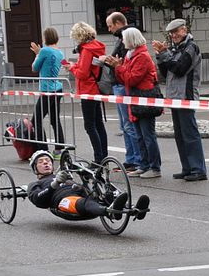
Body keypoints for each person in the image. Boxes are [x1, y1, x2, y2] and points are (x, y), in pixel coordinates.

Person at [152, 19, 207, 182]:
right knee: (180, 135)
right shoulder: (176, 49)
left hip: (186, 96)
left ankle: (198, 169)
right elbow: (166, 71)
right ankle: (187, 168)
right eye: (171, 33)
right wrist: (160, 56)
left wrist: (165, 54)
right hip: (175, 97)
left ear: (185, 30)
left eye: (177, 32)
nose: (174, 35)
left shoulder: (191, 47)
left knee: (189, 134)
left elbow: (179, 68)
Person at [27, 150, 150, 221]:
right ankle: (110, 212)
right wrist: (55, 184)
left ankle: (134, 209)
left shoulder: (64, 173)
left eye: (48, 161)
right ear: (35, 168)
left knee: (105, 194)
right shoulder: (35, 184)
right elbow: (38, 200)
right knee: (83, 203)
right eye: (41, 162)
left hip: (81, 193)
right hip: (63, 201)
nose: (45, 163)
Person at [107, 28, 162, 178]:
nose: (122, 41)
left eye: (124, 38)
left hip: (144, 100)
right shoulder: (131, 56)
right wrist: (118, 67)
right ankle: (143, 165)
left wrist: (119, 67)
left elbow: (132, 79)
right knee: (139, 135)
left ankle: (154, 167)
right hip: (135, 99)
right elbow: (124, 78)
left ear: (131, 40)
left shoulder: (142, 56)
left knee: (147, 136)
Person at [65, 22, 108, 165]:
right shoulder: (97, 46)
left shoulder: (87, 50)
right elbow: (89, 68)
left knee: (90, 125)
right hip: (96, 87)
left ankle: (98, 158)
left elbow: (83, 73)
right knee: (98, 124)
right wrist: (75, 66)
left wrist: (72, 69)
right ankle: (104, 157)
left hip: (87, 89)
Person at [105, 12, 141, 172]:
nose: (109, 29)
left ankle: (136, 159)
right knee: (125, 125)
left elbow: (123, 64)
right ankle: (131, 158)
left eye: (110, 26)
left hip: (122, 85)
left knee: (128, 125)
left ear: (119, 23)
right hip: (119, 84)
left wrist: (112, 63)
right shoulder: (121, 38)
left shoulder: (126, 38)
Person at [29, 27, 65, 157]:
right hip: (57, 88)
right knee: (55, 120)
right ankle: (59, 149)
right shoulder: (60, 52)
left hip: (46, 90)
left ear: (45, 38)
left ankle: (43, 149)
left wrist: (38, 54)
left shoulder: (44, 51)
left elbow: (34, 67)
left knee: (36, 119)